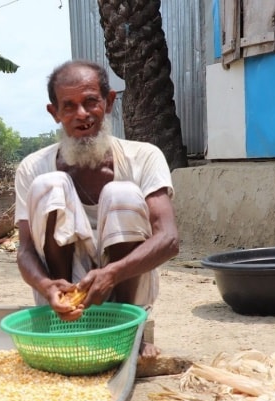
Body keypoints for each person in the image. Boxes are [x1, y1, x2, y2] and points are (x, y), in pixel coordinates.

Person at [14, 59, 179, 359]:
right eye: (69, 106)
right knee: (48, 185)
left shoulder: (143, 156)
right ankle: (64, 321)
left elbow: (168, 238)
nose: (82, 115)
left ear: (110, 101)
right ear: (54, 113)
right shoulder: (33, 167)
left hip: (125, 282)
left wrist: (112, 273)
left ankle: (129, 329)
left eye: (91, 102)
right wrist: (47, 286)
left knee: (122, 194)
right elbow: (25, 250)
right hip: (64, 284)